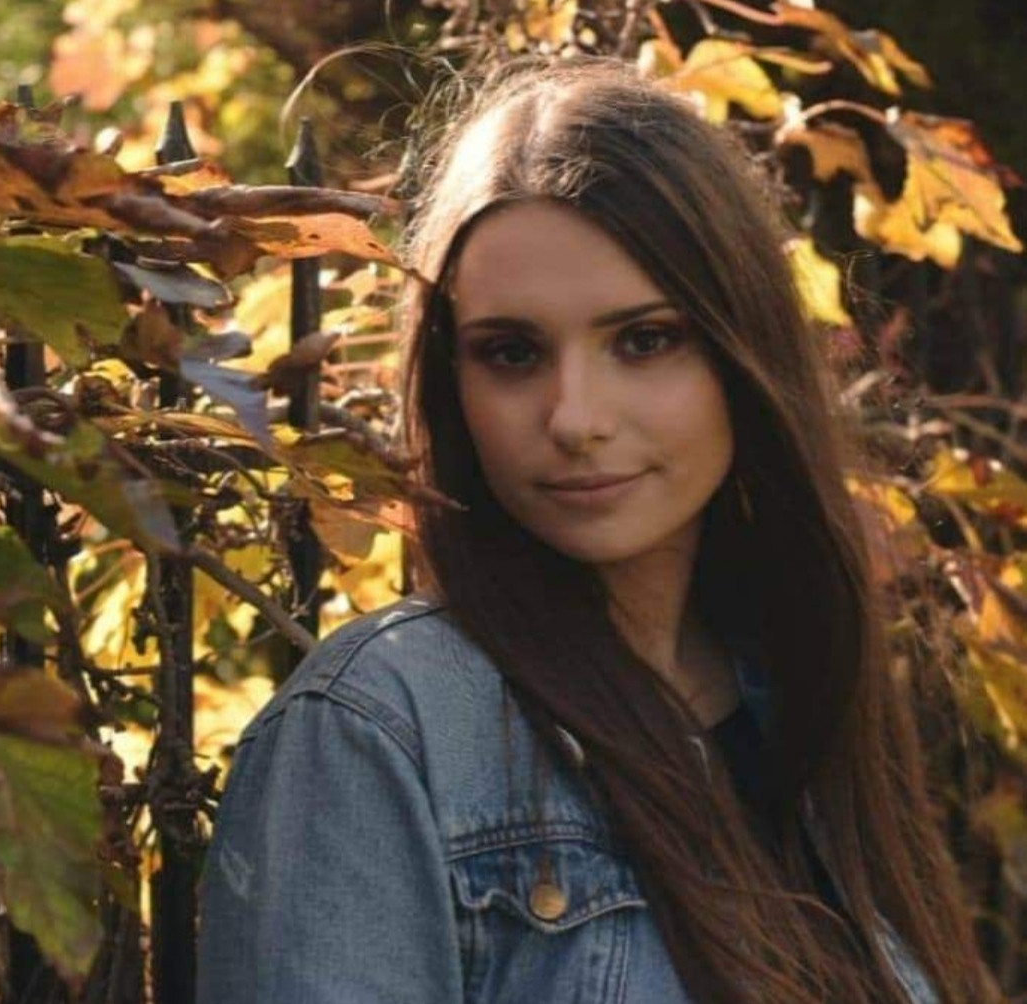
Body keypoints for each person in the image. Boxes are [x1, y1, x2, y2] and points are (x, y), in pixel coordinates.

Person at [197, 58, 997, 1004]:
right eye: (511, 353)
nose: (575, 418)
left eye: (645, 340)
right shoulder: (380, 731)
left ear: (741, 351)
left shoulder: (798, 690)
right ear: (453, 380)